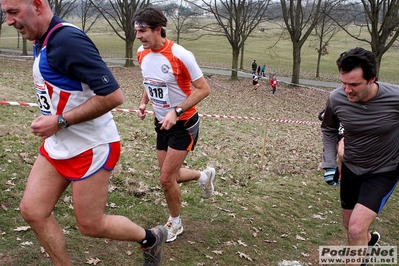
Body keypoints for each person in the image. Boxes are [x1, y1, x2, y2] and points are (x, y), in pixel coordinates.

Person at [1, 1, 167, 265]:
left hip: (92, 147)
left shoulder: (67, 40)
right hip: (59, 144)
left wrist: (61, 121)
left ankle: (150, 237)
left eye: (12, 12)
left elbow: (113, 95)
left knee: (90, 225)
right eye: (5, 12)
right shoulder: (41, 38)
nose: (8, 21)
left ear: (36, 5)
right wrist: (55, 120)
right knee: (32, 210)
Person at [134, 7, 216, 243]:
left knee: (165, 179)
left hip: (184, 123)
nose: (138, 36)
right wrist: (143, 102)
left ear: (158, 29)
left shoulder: (181, 55)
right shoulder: (142, 52)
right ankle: (203, 176)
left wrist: (176, 111)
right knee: (170, 176)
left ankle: (176, 223)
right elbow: (149, 82)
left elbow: (204, 89)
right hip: (161, 123)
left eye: (143, 31)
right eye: (137, 31)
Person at [321, 47, 399, 266]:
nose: (347, 90)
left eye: (354, 84)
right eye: (343, 83)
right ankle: (369, 241)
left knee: (356, 228)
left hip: (383, 172)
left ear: (372, 79)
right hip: (352, 168)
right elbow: (328, 130)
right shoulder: (336, 98)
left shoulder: (395, 98)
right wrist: (329, 163)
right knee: (350, 227)